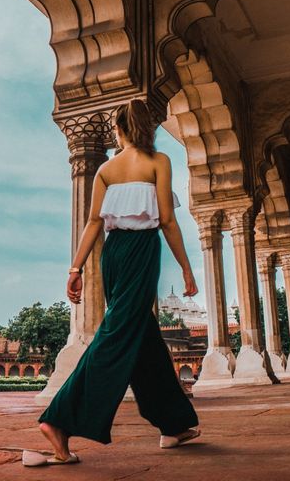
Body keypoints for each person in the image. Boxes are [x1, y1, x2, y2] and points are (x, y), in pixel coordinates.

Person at [22, 98, 201, 467]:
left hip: (114, 255)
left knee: (143, 338)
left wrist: (75, 269)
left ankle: (173, 424)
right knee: (117, 335)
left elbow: (92, 223)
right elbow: (167, 220)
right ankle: (58, 420)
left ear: (118, 131)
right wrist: (185, 268)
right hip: (141, 250)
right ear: (146, 129)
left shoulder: (106, 169)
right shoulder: (158, 162)